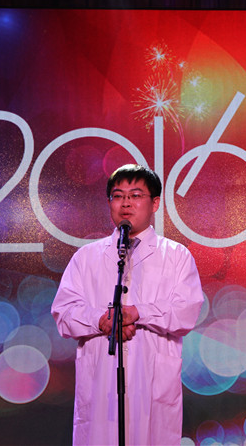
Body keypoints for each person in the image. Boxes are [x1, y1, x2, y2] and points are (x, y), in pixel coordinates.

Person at [52, 164, 204, 445]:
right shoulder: (86, 257)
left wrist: (138, 313)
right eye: (118, 196)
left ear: (154, 203)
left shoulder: (176, 256)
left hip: (152, 385)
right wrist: (101, 320)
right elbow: (64, 313)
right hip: (101, 384)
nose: (126, 204)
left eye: (135, 195)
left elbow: (186, 312)